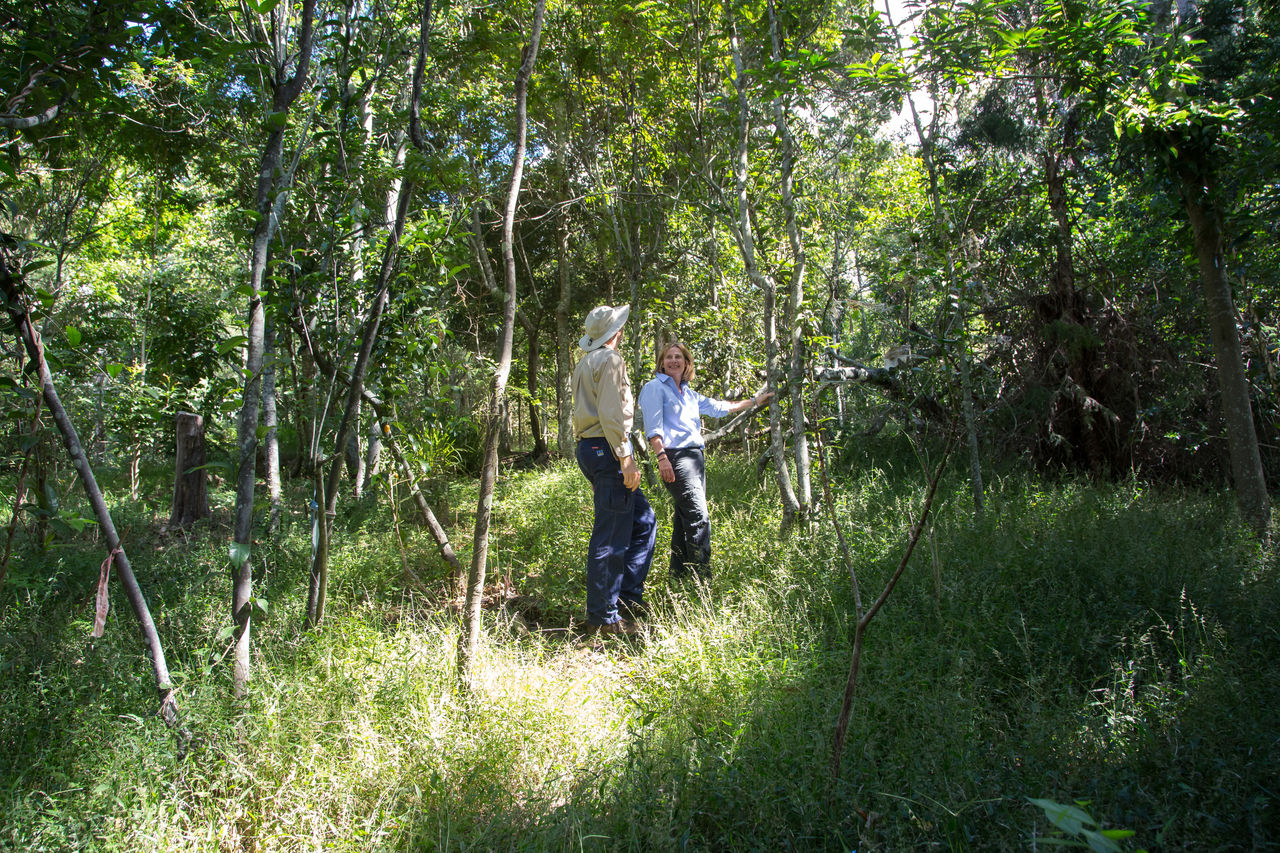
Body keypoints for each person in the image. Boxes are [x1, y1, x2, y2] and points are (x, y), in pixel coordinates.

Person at [638, 341, 773, 581]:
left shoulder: (689, 394)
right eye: (668, 357)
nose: (673, 361)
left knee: (684, 519)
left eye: (678, 356)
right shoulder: (654, 388)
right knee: (698, 516)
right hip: (675, 458)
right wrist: (662, 458)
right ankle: (703, 580)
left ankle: (678, 578)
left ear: (686, 363)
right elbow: (653, 427)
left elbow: (720, 407)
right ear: (661, 363)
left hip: (695, 459)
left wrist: (755, 402)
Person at [572, 305, 656, 634]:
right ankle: (604, 617)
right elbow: (611, 413)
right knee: (610, 537)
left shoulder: (584, 363)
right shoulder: (610, 360)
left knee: (643, 521)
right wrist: (626, 457)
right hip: (607, 449)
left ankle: (626, 598)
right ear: (616, 333)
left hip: (591, 448)